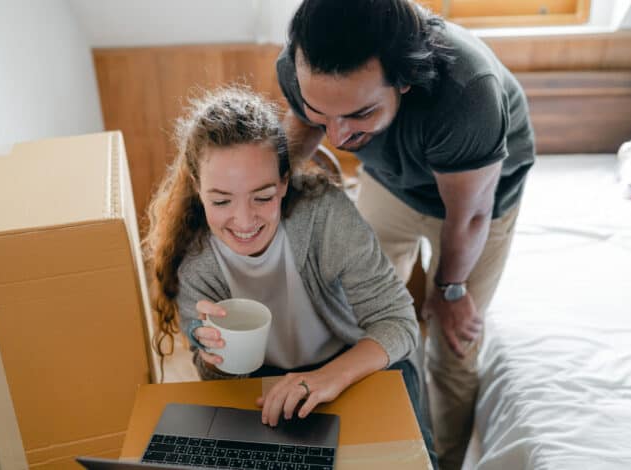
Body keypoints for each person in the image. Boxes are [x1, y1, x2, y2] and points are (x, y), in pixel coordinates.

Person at [275, 1, 535, 468]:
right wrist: (264, 194)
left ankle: (444, 461)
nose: (336, 136)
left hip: (479, 203)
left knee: (453, 346)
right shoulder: (301, 62)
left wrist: (450, 290)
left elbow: (470, 214)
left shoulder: (467, 90)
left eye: (358, 114)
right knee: (359, 320)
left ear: (405, 80)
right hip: (391, 183)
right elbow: (302, 133)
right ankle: (374, 451)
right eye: (322, 112)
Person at [142, 86, 436, 465]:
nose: (245, 221)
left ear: (283, 181)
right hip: (268, 386)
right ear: (198, 189)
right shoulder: (195, 263)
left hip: (356, 364)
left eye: (262, 196)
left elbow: (398, 323)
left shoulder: (324, 216)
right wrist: (214, 357)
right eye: (221, 200)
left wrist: (325, 377)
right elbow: (225, 388)